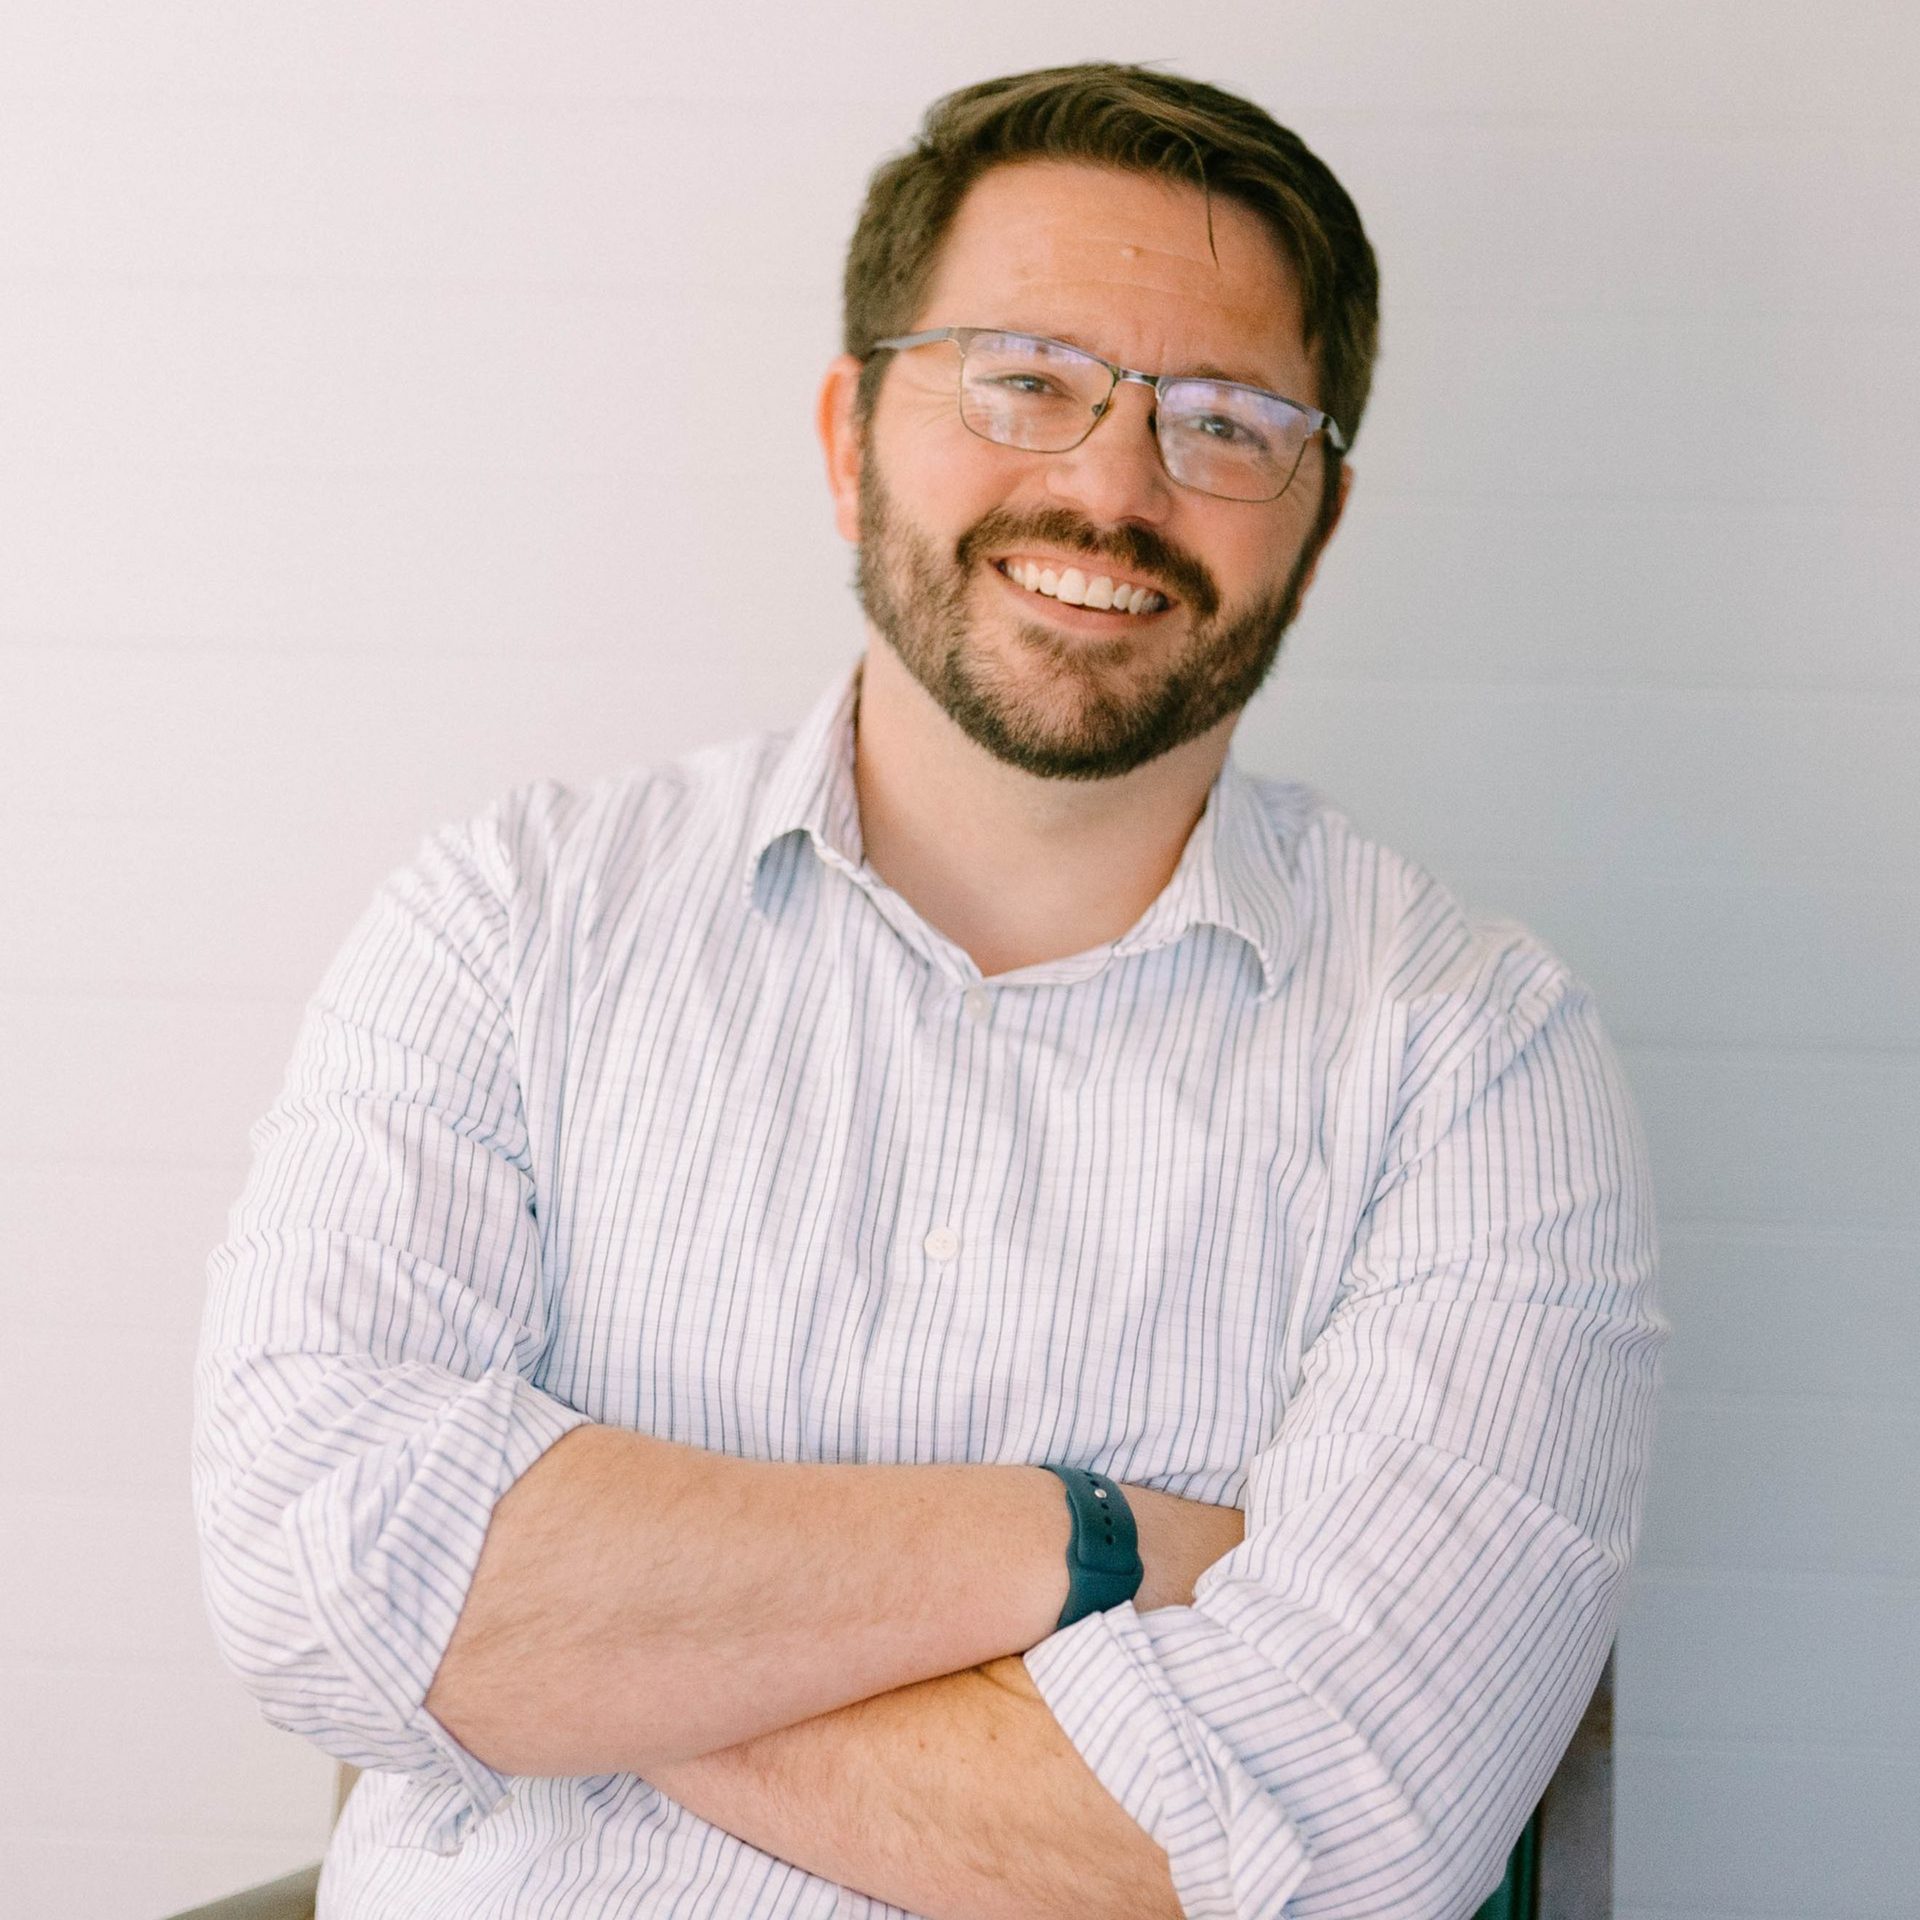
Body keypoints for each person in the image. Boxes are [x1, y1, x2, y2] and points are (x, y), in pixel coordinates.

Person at [193, 61, 1666, 1920]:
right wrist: (1083, 1542)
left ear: (1317, 517)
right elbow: (312, 1574)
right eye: (1023, 379)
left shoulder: (1481, 1058)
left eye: (1223, 420)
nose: (1114, 482)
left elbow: (1337, 1839)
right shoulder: (510, 922)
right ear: (848, 433)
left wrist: (569, 1646)